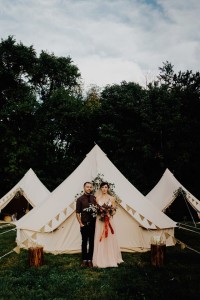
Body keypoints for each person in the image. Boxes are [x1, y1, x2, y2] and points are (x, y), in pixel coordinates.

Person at [92, 182, 123, 268]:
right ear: (100, 188)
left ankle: (111, 258)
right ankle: (100, 259)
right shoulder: (97, 198)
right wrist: (101, 213)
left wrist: (109, 213)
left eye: (106, 187)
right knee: (100, 237)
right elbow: (96, 210)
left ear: (108, 188)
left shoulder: (112, 198)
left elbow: (114, 210)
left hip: (109, 220)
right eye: (103, 187)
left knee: (109, 237)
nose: (104, 189)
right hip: (100, 221)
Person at [76, 182, 97, 267]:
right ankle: (84, 260)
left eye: (90, 187)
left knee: (92, 242)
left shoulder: (94, 198)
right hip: (84, 224)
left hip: (93, 225)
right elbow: (77, 213)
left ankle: (90, 260)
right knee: (84, 242)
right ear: (84, 188)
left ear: (92, 188)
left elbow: (97, 211)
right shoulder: (80, 199)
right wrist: (80, 223)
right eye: (87, 187)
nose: (89, 188)